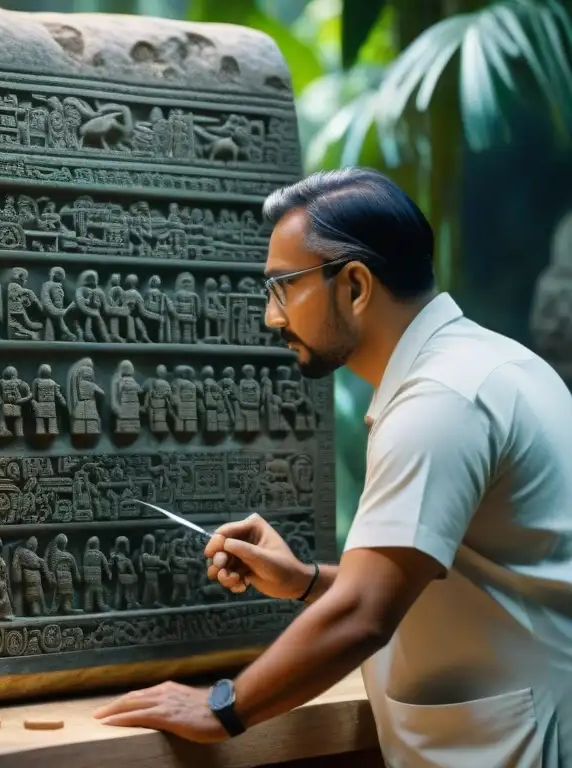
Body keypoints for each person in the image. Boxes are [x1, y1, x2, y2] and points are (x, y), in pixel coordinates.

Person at [93, 168, 572, 766]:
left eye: (283, 288)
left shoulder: (441, 400)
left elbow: (364, 615)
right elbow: (444, 574)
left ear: (354, 286)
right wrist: (305, 580)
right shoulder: (488, 365)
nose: (273, 317)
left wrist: (223, 706)